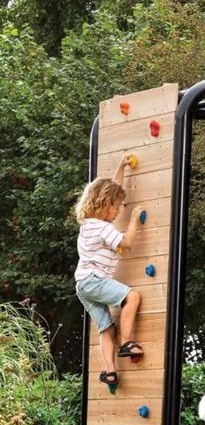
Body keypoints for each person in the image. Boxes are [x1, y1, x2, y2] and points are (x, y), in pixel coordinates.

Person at [74, 154, 144, 388]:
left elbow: (111, 190)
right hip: (94, 280)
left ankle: (110, 371)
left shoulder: (88, 224)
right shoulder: (103, 228)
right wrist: (134, 220)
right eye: (116, 207)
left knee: (105, 328)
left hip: (83, 285)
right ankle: (126, 342)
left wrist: (121, 166)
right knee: (131, 297)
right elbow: (126, 243)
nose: (118, 212)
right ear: (104, 205)